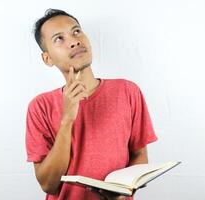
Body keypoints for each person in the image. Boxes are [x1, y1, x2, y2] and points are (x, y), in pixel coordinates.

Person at [25, 8, 158, 200]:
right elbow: (48, 184)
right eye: (59, 39)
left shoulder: (128, 91)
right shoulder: (39, 107)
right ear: (48, 58)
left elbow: (139, 154)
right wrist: (67, 120)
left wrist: (125, 190)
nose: (74, 41)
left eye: (76, 31)